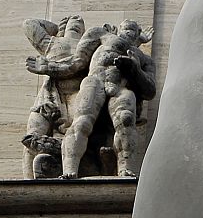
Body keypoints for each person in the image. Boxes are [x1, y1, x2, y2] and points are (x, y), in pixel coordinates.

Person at [61, 21, 156, 178]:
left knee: (126, 119)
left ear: (138, 34)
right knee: (82, 121)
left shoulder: (144, 59)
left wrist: (135, 69)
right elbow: (78, 61)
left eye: (132, 30)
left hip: (120, 87)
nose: (128, 32)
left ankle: (125, 169)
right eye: (126, 28)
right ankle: (69, 169)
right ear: (118, 29)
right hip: (95, 81)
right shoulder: (102, 35)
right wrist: (49, 67)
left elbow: (150, 91)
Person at [20, 15, 110, 178]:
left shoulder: (88, 43)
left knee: (77, 131)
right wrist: (57, 29)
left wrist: (50, 67)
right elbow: (29, 24)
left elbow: (83, 63)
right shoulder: (51, 42)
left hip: (77, 94)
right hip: (50, 94)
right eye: (72, 22)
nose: (77, 23)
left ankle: (69, 165)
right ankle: (28, 180)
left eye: (80, 24)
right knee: (32, 135)